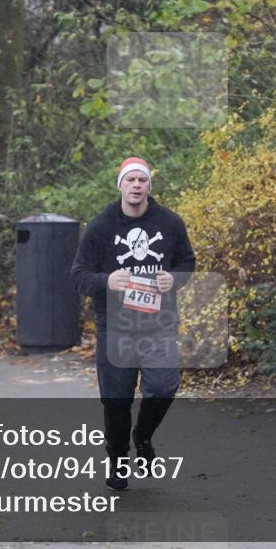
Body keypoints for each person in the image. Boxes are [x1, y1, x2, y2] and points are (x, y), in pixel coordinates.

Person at [71, 157, 195, 490]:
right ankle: (117, 458)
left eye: (142, 180)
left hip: (159, 322)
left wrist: (175, 279)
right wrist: (108, 281)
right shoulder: (100, 227)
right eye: (131, 180)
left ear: (149, 186)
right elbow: (79, 276)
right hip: (116, 326)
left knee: (164, 387)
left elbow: (187, 262)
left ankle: (142, 436)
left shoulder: (169, 223)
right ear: (121, 186)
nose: (137, 185)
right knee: (116, 399)